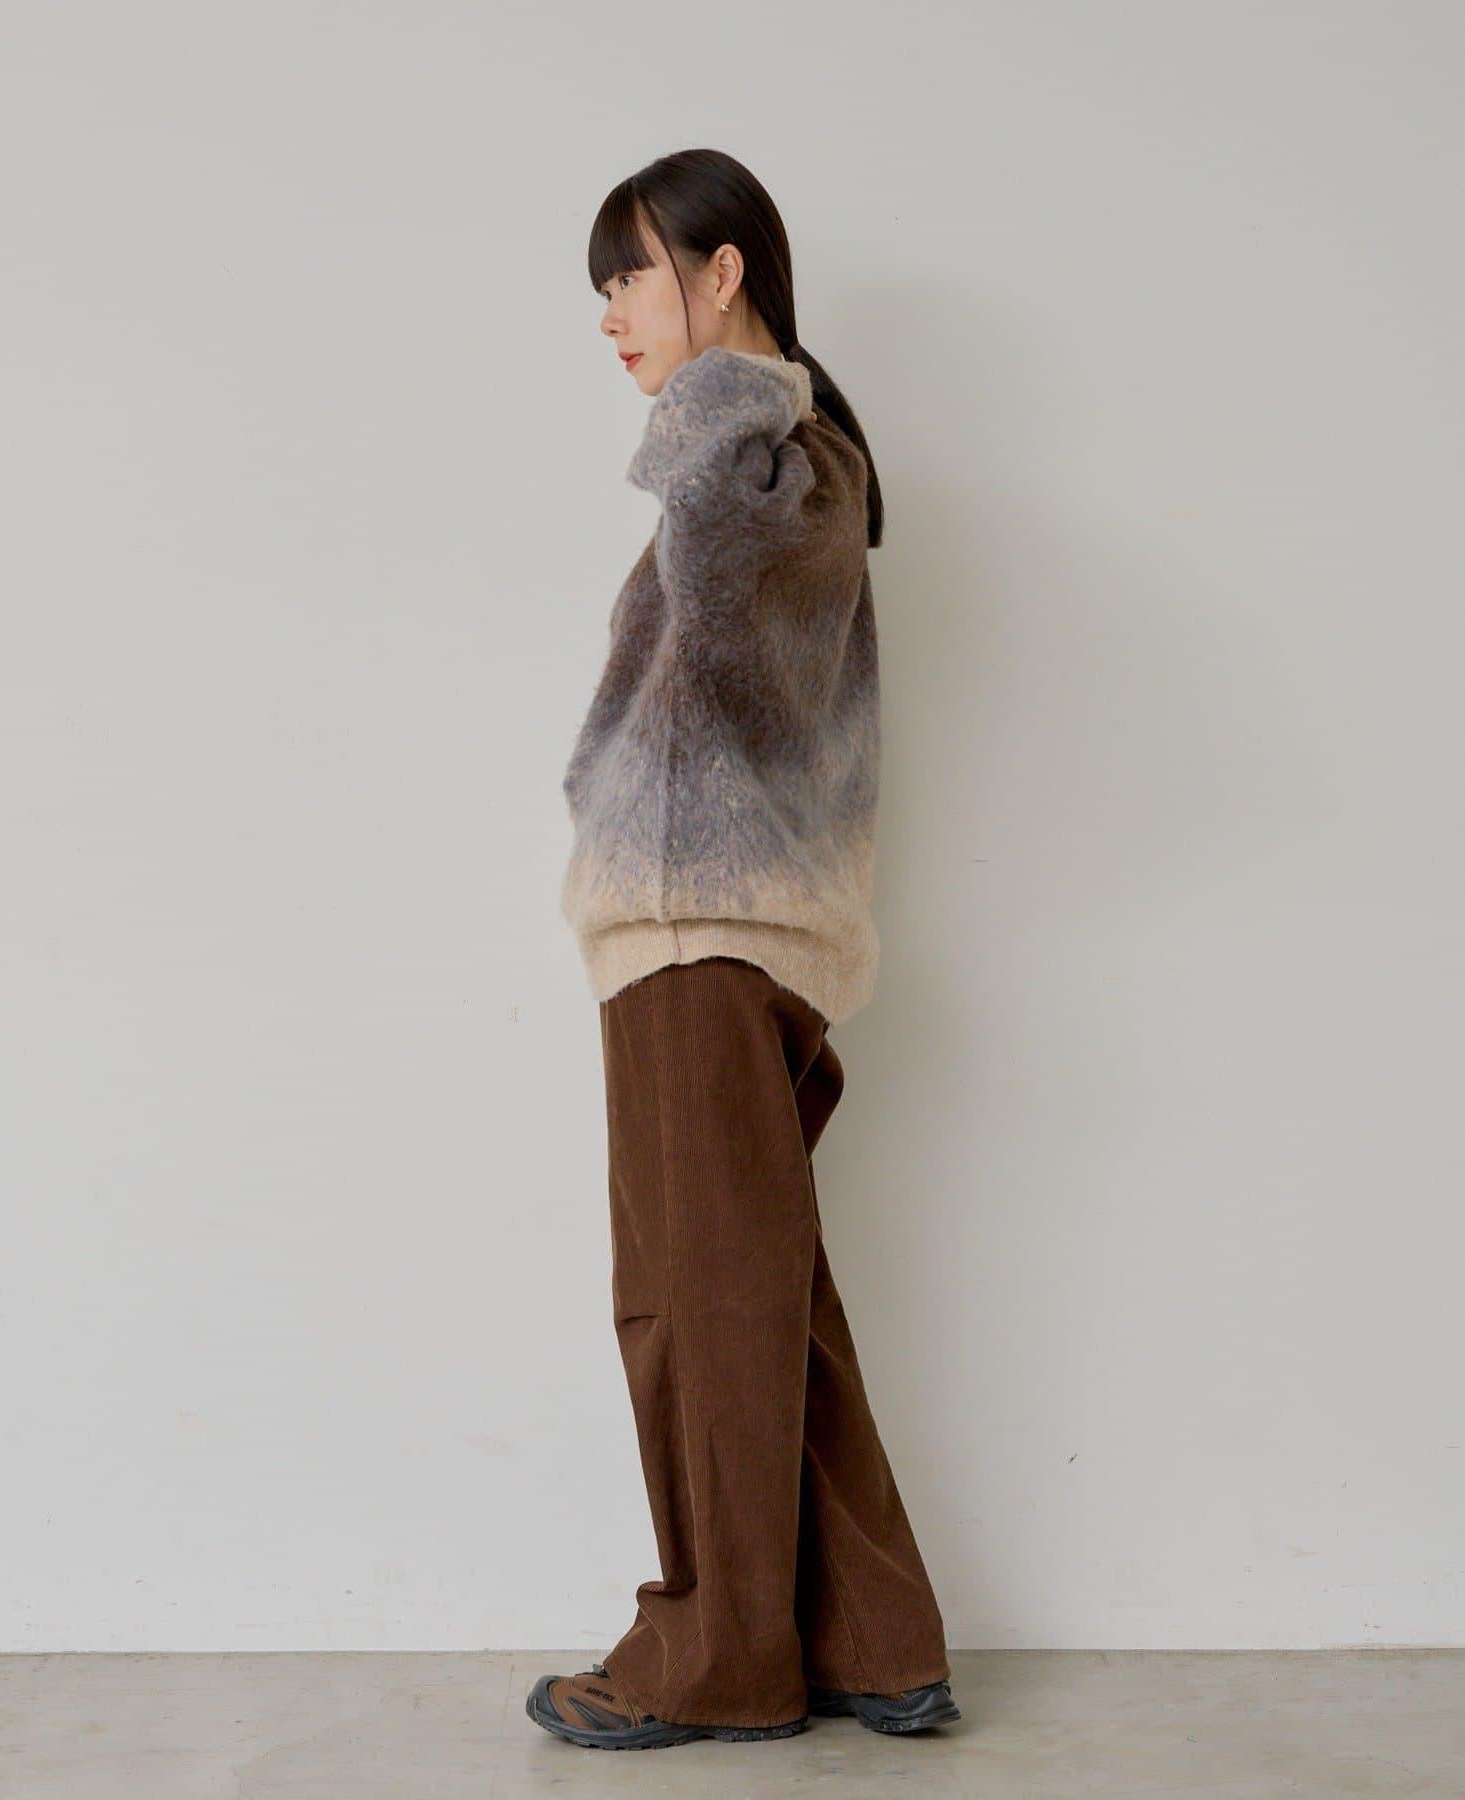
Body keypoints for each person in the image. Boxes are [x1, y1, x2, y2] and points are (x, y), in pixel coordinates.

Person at [527, 148, 959, 1753]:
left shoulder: (764, 457)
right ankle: (876, 1643)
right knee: (765, 1299)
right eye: (602, 290)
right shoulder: (796, 457)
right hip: (724, 929)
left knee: (691, 1306)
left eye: (632, 275)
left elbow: (710, 596)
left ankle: (716, 1659)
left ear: (724, 271)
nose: (611, 317)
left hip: (698, 933)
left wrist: (715, 389)